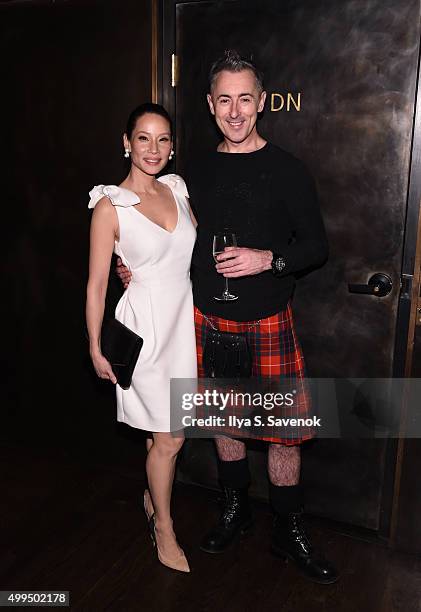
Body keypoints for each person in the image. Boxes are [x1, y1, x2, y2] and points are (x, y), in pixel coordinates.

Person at [117, 51, 338, 584]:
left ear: (261, 103)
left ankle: (288, 529)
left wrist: (269, 259)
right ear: (210, 105)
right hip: (209, 319)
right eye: (224, 100)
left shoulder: (288, 169)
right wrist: (135, 265)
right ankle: (234, 512)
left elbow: (316, 247)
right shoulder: (191, 170)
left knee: (285, 435)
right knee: (225, 425)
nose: (235, 111)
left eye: (245, 99)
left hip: (267, 321)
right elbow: (165, 227)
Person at [86, 103, 197, 573]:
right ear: (126, 142)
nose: (154, 149)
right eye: (144, 138)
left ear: (172, 147)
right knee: (170, 439)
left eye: (164, 139)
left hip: (182, 326)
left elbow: (181, 255)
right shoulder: (110, 206)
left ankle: (153, 498)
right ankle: (164, 528)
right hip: (146, 332)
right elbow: (94, 284)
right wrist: (94, 345)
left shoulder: (176, 188)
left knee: (169, 434)